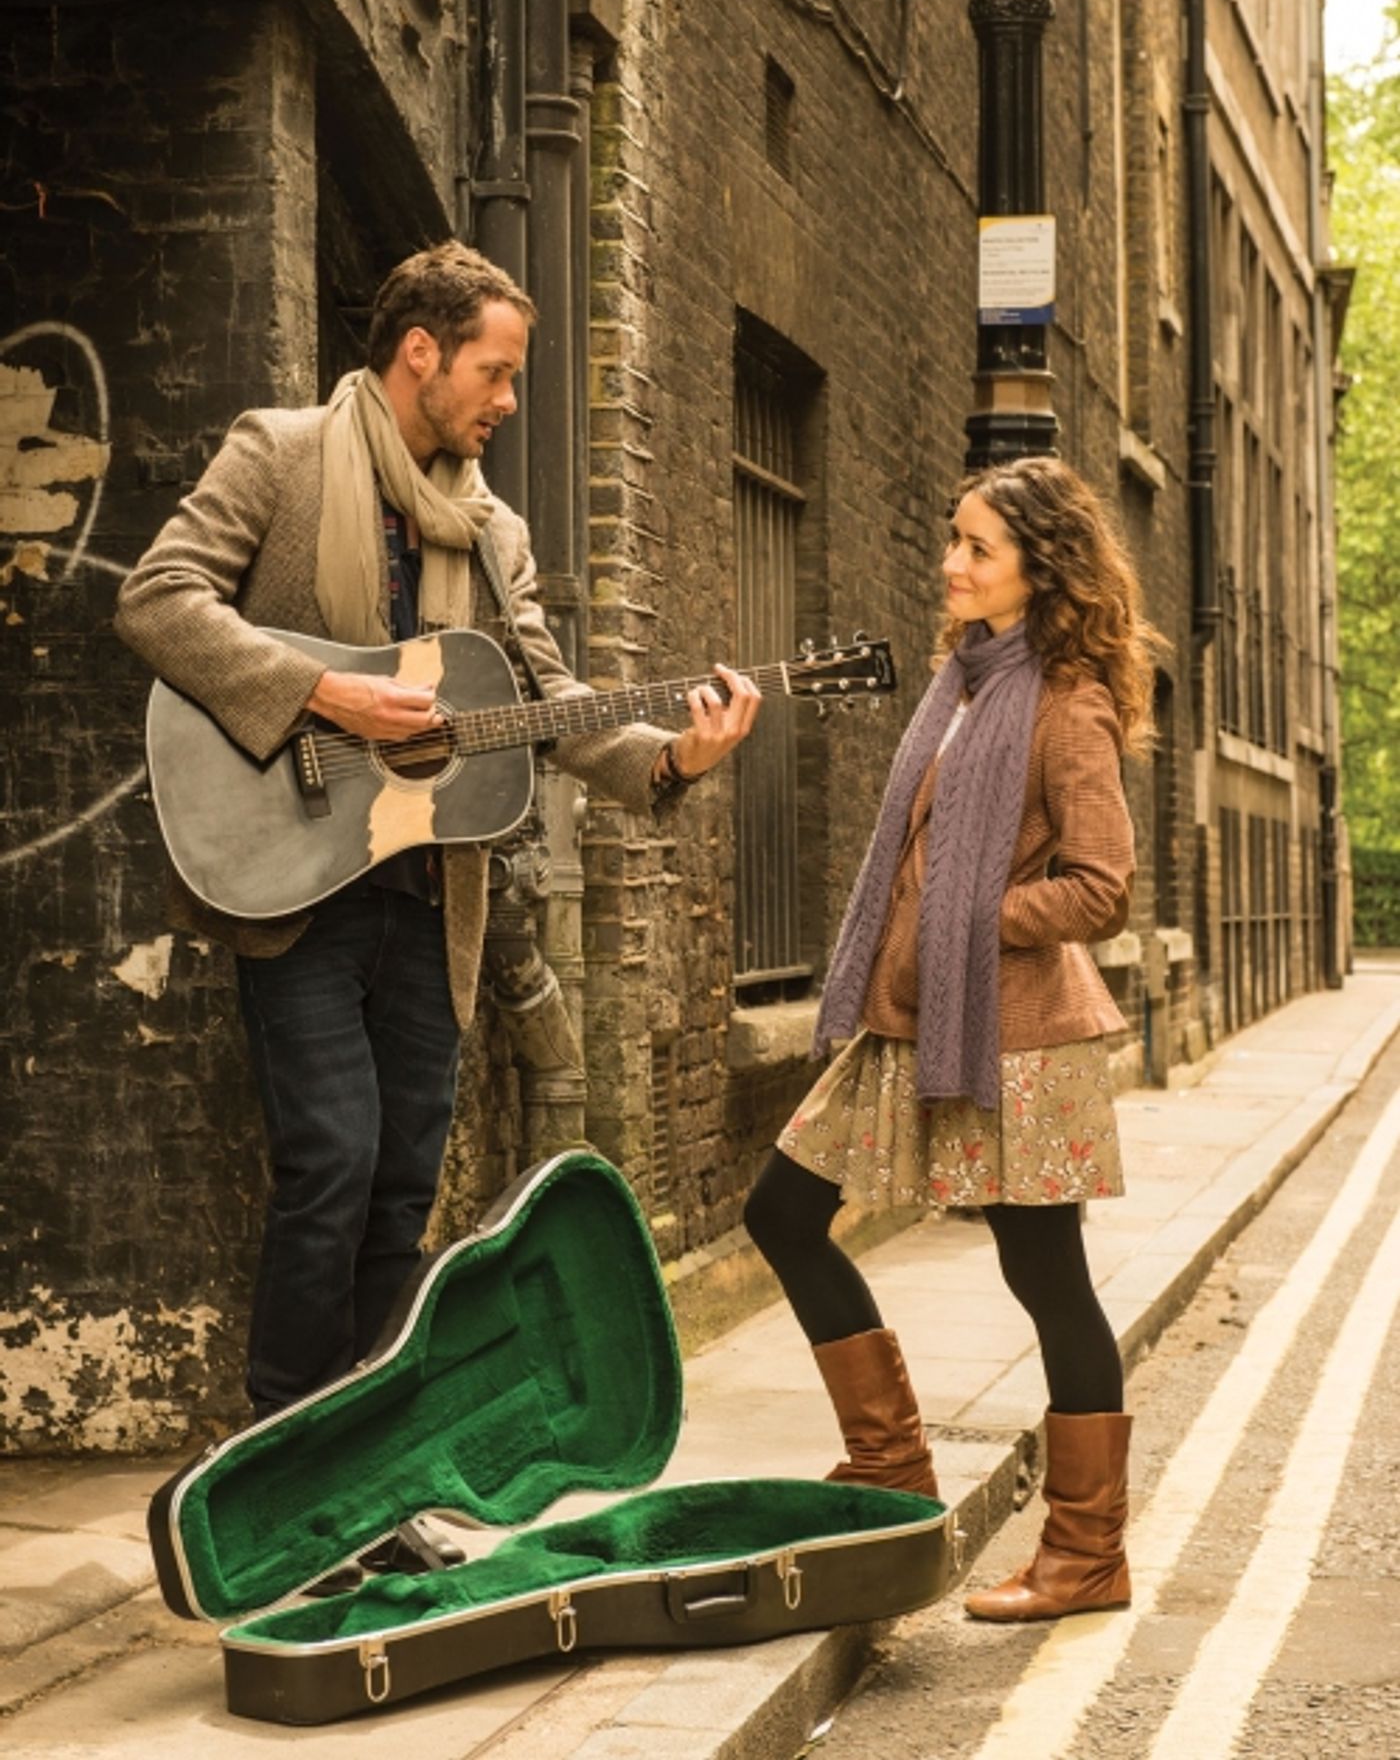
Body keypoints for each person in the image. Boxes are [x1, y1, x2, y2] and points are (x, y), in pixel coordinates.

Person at [117, 240, 760, 1426]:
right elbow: (157, 599)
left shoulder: (491, 530)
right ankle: (280, 1447)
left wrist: (670, 756)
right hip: (293, 883)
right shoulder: (283, 454)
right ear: (421, 354)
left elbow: (546, 700)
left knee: (404, 1186)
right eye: (496, 370)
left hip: (428, 897)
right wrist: (325, 694)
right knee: (332, 1165)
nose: (510, 401)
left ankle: (373, 1459)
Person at [744, 456, 1158, 1624]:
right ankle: (888, 1465)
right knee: (779, 1212)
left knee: (1045, 1275)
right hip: (906, 1016)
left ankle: (1086, 1554)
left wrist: (978, 918)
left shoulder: (1065, 699)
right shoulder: (962, 682)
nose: (951, 563)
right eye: (953, 540)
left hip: (1018, 1036)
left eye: (976, 546)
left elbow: (1101, 886)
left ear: (1040, 563)